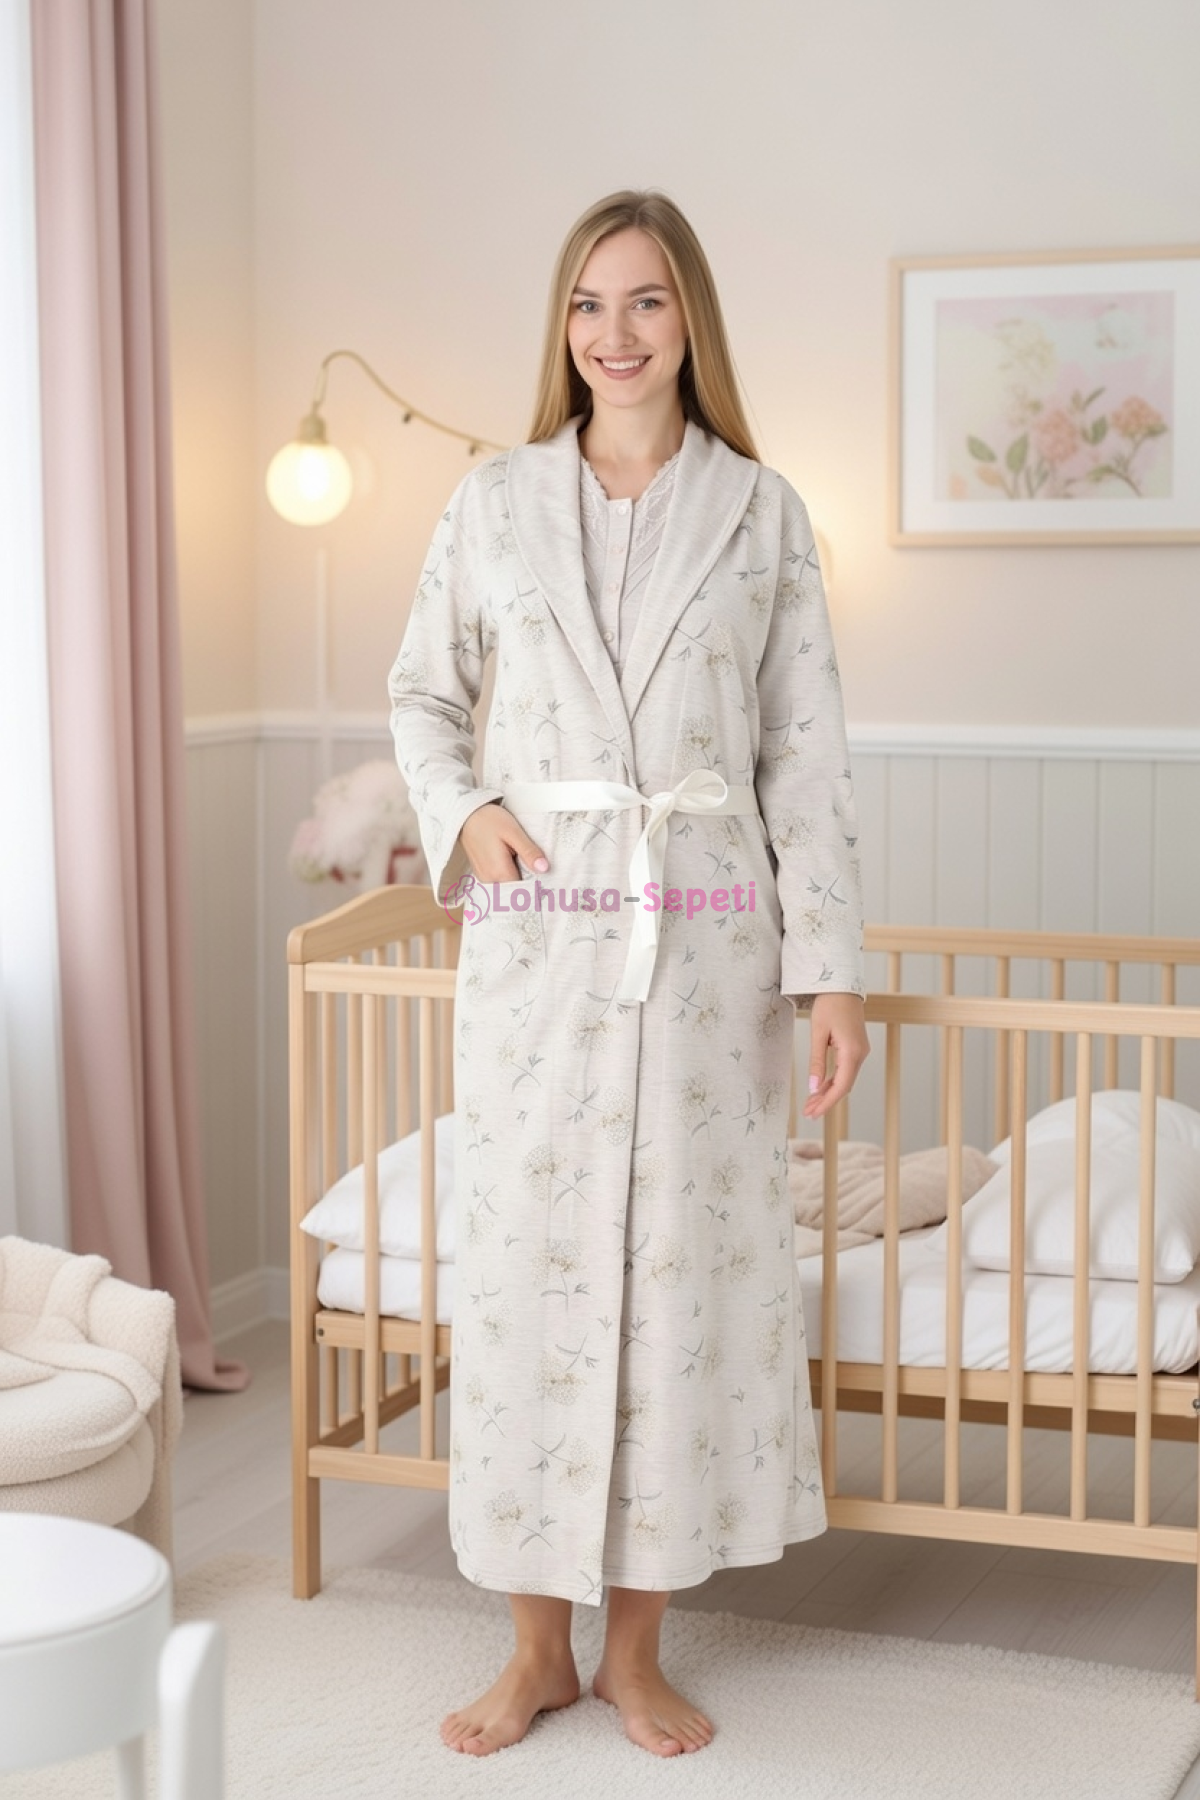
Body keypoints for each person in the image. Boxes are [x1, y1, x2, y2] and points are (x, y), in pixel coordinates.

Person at [388, 188, 869, 1760]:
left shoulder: (763, 512)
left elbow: (806, 757)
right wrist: (464, 815)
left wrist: (832, 975)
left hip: (709, 942)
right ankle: (534, 1650)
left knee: (680, 1290)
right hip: (541, 943)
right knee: (529, 1282)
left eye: (648, 301)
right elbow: (422, 696)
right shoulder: (492, 502)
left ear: (690, 321)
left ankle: (640, 1652)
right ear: (564, 327)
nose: (617, 333)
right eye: (590, 304)